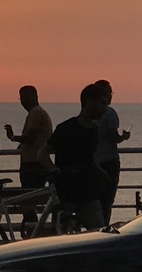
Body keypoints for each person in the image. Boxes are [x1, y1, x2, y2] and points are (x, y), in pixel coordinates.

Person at [39, 84, 109, 230]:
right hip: (67, 193)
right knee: (63, 236)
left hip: (88, 192)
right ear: (89, 102)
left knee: (98, 232)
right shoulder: (66, 128)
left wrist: (101, 173)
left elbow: (90, 157)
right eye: (102, 103)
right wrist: (53, 169)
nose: (106, 109)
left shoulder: (94, 130)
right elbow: (43, 153)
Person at [4, 85, 53, 229]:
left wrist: (13, 137)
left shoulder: (36, 113)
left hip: (33, 164)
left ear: (35, 96)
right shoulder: (37, 113)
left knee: (28, 201)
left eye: (27, 97)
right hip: (36, 162)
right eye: (22, 97)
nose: (24, 101)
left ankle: (32, 230)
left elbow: (30, 137)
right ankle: (33, 229)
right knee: (30, 200)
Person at [93, 79, 130, 225]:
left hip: (94, 161)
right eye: (110, 92)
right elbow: (112, 137)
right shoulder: (109, 113)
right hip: (109, 161)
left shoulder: (90, 113)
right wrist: (124, 137)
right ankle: (104, 228)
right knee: (107, 201)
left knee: (95, 201)